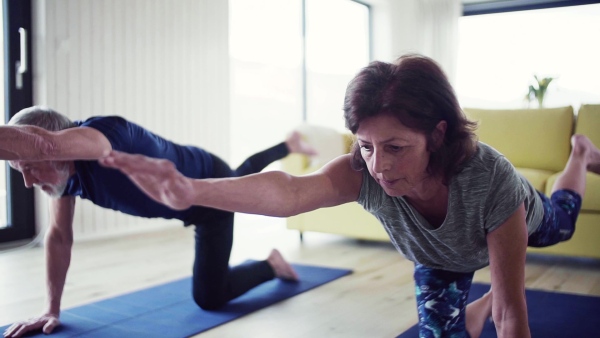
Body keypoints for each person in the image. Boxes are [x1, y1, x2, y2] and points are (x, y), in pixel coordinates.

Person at [99, 54, 600, 338]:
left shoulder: (488, 178)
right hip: (437, 258)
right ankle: (472, 305)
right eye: (366, 145)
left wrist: (500, 301)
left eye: (397, 147)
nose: (378, 166)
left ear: (439, 134)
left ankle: (579, 154)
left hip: (517, 217)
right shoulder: (363, 170)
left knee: (562, 222)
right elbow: (291, 191)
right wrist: (194, 190)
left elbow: (514, 315)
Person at [1, 106, 317, 338]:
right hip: (186, 201)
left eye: (31, 167)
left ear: (57, 145)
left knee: (210, 298)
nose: (28, 182)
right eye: (20, 171)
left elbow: (49, 145)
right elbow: (58, 236)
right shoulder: (62, 178)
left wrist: (40, 147)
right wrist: (50, 309)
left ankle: (271, 265)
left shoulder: (106, 136)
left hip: (209, 194)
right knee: (242, 171)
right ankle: (287, 144)